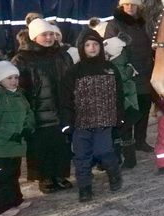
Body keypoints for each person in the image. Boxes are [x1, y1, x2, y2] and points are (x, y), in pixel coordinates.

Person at [12, 18, 73, 194]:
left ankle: (61, 175)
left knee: (61, 144)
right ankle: (44, 177)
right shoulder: (23, 58)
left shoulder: (62, 54)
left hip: (61, 109)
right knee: (41, 146)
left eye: (51, 34)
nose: (48, 38)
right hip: (38, 111)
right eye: (44, 35)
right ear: (33, 37)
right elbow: (17, 87)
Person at [61, 32, 124, 202]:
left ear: (100, 47)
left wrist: (120, 116)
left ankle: (114, 175)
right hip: (81, 122)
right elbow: (66, 97)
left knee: (103, 151)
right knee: (82, 156)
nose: (92, 48)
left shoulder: (110, 68)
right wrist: (67, 122)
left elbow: (119, 94)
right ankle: (85, 188)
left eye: (95, 44)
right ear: (82, 48)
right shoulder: (75, 71)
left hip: (104, 120)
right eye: (88, 45)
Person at [104, 0, 155, 153]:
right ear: (121, 6)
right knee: (128, 109)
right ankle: (128, 142)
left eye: (133, 4)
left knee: (144, 107)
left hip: (146, 71)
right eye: (126, 4)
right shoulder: (114, 25)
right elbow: (110, 49)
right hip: (126, 74)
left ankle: (141, 140)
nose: (130, 7)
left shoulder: (145, 23)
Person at [0, 60, 34, 216]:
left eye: (16, 77)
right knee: (0, 176)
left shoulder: (18, 94)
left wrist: (29, 127)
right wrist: (8, 134)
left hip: (16, 143)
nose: (14, 81)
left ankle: (15, 199)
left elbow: (28, 112)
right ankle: (0, 207)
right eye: (9, 78)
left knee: (13, 173)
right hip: (0, 146)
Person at [102, 35, 140, 168]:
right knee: (118, 133)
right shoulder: (120, 62)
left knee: (124, 134)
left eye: (106, 52)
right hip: (121, 105)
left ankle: (128, 160)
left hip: (126, 105)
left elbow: (121, 78)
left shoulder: (117, 63)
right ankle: (119, 157)